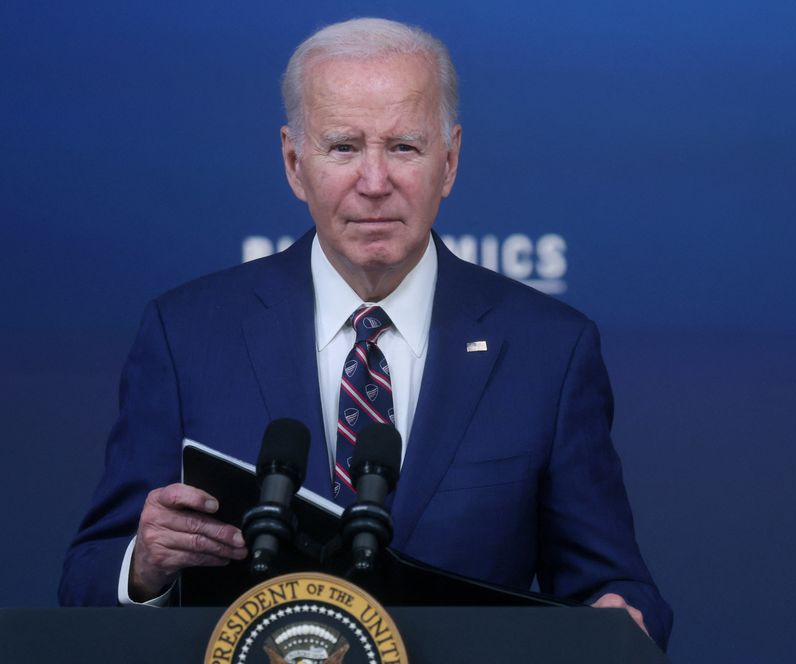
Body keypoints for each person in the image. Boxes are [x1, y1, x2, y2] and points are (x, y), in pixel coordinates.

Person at [59, 17, 673, 650]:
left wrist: (619, 622)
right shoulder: (187, 334)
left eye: (404, 147)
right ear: (295, 163)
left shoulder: (549, 350)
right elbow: (85, 579)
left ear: (451, 161)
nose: (375, 183)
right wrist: (143, 566)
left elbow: (619, 588)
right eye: (344, 147)